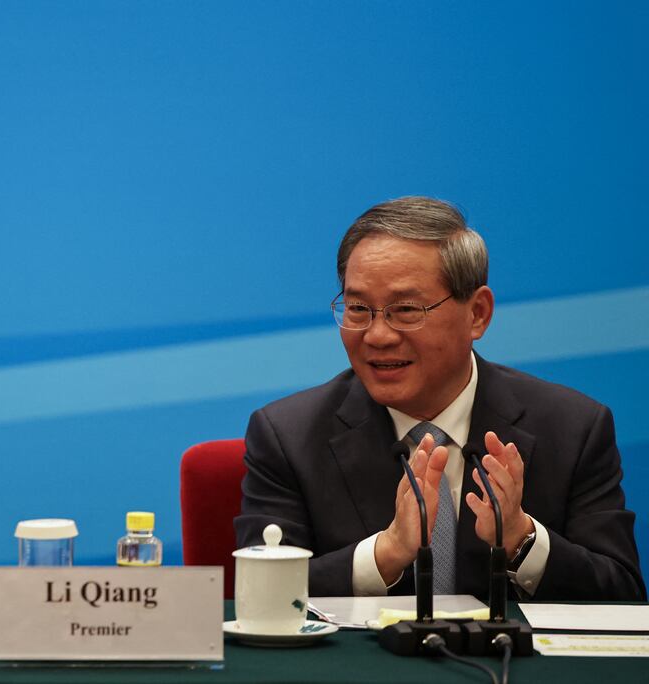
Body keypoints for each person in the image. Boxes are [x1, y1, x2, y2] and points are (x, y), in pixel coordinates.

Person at [234, 196, 644, 601]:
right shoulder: (288, 436)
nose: (377, 336)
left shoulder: (572, 429)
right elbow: (258, 597)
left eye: (406, 309)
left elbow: (623, 594)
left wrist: (522, 539)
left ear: (478, 314)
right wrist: (386, 553)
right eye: (358, 308)